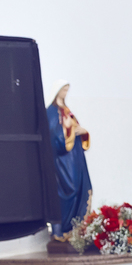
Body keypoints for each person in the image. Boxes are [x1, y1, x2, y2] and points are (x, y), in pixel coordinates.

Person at [46, 80, 93, 240]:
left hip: (75, 158)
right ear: (57, 91)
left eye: (67, 90)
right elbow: (54, 137)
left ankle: (74, 230)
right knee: (67, 189)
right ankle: (60, 230)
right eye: (63, 89)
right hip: (62, 161)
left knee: (78, 187)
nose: (65, 93)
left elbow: (73, 128)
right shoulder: (51, 112)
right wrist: (70, 131)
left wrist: (82, 132)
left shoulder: (66, 110)